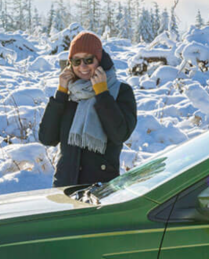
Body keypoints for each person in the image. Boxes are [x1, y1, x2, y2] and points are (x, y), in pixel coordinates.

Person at [38, 31, 137, 187]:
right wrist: (60, 94)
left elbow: (120, 134)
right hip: (65, 187)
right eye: (76, 61)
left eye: (88, 60)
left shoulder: (120, 92)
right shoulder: (69, 94)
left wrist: (102, 94)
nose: (82, 66)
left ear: (99, 60)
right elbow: (46, 138)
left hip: (101, 189)